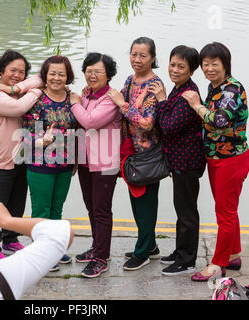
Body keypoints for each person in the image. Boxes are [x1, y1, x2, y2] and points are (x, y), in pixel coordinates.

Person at [182, 42, 249, 281]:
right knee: (228, 209)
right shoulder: (215, 86)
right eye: (205, 64)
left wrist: (196, 105)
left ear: (225, 64)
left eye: (214, 64)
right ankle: (233, 254)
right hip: (217, 158)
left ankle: (218, 264)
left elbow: (219, 121)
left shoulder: (231, 89)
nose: (209, 68)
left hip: (231, 158)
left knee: (225, 212)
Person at [148, 45, 206, 276]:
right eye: (172, 64)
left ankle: (187, 261)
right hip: (180, 161)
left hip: (188, 162)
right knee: (182, 209)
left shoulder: (187, 94)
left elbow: (170, 127)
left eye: (181, 66)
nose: (174, 69)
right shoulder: (179, 88)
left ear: (191, 70)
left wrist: (161, 100)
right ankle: (181, 251)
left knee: (186, 212)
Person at [0, 49, 43, 263]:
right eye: (12, 71)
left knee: (16, 203)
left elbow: (42, 76)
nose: (17, 75)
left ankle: (10, 239)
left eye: (21, 72)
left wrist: (18, 87)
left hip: (21, 157)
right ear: (1, 71)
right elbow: (18, 109)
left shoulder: (17, 90)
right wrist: (35, 92)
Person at [107, 36, 164, 271]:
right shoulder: (130, 80)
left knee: (145, 204)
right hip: (130, 153)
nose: (137, 59)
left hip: (147, 155)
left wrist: (122, 105)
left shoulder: (153, 85)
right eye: (133, 54)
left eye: (143, 55)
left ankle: (143, 253)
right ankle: (149, 245)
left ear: (152, 58)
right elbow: (116, 101)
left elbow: (147, 123)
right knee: (138, 201)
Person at [21, 55, 77, 272]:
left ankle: (55, 249)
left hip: (64, 165)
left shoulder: (72, 99)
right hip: (40, 164)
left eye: (61, 74)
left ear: (68, 77)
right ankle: (41, 254)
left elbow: (77, 129)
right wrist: (41, 140)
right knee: (41, 210)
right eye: (52, 73)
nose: (56, 78)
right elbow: (24, 136)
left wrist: (74, 160)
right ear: (44, 75)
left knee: (56, 209)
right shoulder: (35, 100)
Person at [69, 52, 121, 278]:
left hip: (105, 163)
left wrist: (73, 104)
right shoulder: (87, 96)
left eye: (97, 71)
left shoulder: (111, 98)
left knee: (101, 210)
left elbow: (89, 122)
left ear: (108, 74)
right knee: (91, 206)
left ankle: (101, 258)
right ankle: (97, 247)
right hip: (86, 161)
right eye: (88, 71)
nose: (92, 75)